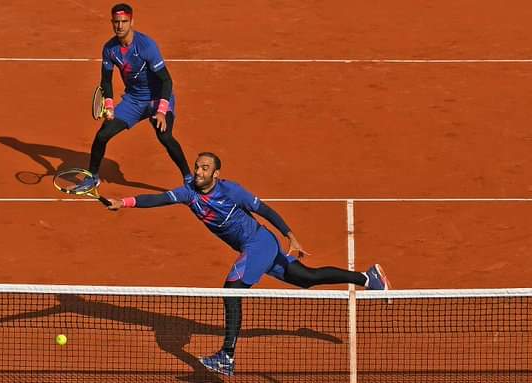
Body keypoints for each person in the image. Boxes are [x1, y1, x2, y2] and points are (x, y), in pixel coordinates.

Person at [106, 152, 391, 376]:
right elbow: (157, 199)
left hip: (260, 243)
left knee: (231, 288)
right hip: (254, 248)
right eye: (196, 166)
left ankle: (226, 356)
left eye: (205, 168)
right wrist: (125, 202)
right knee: (307, 278)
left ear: (216, 174)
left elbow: (264, 209)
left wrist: (290, 236)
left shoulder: (232, 191)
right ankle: (367, 278)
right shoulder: (189, 193)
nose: (198, 171)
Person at [77, 3, 192, 190]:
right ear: (112, 22)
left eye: (124, 22)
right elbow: (106, 81)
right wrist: (109, 106)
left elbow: (167, 81)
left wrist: (161, 112)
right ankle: (92, 177)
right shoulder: (109, 49)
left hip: (157, 98)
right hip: (133, 101)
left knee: (164, 136)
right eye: (116, 22)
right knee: (102, 135)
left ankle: (189, 179)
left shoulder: (146, 46)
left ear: (132, 22)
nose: (120, 26)